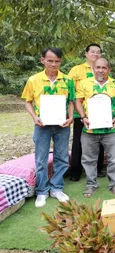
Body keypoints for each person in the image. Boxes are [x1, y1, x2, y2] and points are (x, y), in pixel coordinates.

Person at [21, 47, 75, 208]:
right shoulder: (33, 80)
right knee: (41, 158)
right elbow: (27, 101)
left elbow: (71, 101)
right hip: (42, 125)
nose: (53, 64)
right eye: (50, 60)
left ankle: (57, 188)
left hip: (62, 125)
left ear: (60, 61)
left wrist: (71, 117)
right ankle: (42, 191)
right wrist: (34, 117)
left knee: (62, 157)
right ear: (42, 60)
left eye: (57, 61)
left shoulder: (67, 80)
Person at [75, 58, 115, 197]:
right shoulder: (84, 83)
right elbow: (78, 101)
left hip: (111, 130)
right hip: (89, 129)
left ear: (109, 69)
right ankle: (91, 184)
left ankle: (114, 184)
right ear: (93, 68)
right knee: (88, 159)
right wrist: (83, 116)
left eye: (104, 68)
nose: (100, 70)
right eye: (98, 67)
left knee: (113, 159)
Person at [68, 43, 105, 181]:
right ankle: (76, 171)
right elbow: (70, 90)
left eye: (98, 52)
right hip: (80, 113)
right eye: (93, 52)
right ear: (86, 53)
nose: (95, 54)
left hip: (100, 113)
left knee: (100, 141)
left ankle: (98, 169)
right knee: (79, 141)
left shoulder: (103, 70)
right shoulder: (76, 70)